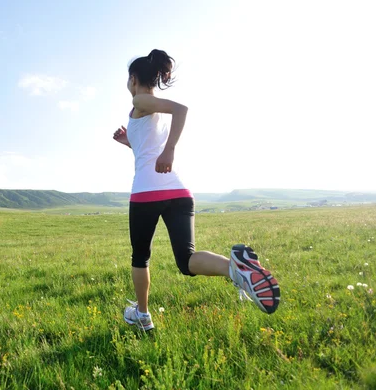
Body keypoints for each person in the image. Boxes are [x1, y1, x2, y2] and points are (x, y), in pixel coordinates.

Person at [112, 49, 280, 331]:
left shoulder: (141, 99)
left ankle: (142, 315)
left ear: (133, 79)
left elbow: (181, 109)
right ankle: (235, 269)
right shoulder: (150, 110)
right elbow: (148, 148)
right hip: (178, 192)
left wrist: (169, 151)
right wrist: (130, 141)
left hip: (146, 194)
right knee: (186, 260)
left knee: (140, 256)